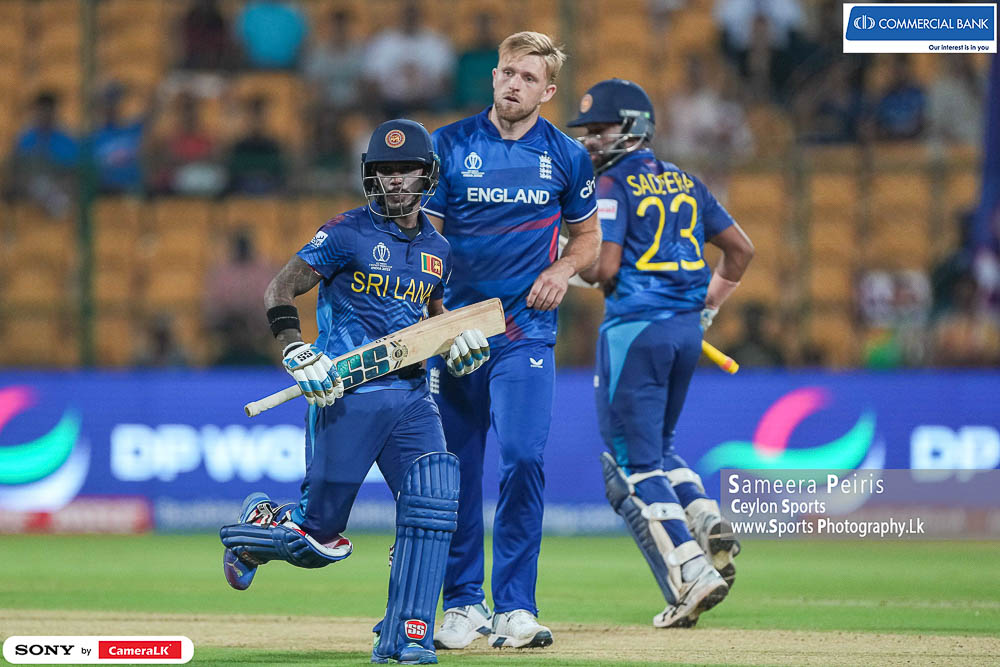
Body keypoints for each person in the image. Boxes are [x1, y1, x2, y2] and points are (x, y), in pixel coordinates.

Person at [218, 119, 490, 665]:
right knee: (318, 540)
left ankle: (406, 635)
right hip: (345, 392)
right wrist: (296, 350)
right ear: (371, 176)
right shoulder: (346, 232)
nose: (395, 180)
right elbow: (280, 288)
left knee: (435, 500)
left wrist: (457, 346)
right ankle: (255, 530)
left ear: (428, 175)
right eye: (384, 171)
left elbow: (433, 321)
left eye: (406, 170)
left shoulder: (438, 249)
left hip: (412, 396)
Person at [423, 31, 601, 650]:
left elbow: (588, 239)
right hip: (455, 333)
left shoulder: (567, 156)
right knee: (455, 470)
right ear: (494, 77)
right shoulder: (448, 145)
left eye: (528, 77)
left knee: (523, 457)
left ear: (547, 92)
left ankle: (516, 609)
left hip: (524, 332)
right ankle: (462, 605)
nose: (514, 84)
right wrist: (437, 315)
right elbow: (425, 239)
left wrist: (561, 270)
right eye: (507, 72)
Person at [569, 78, 754, 627]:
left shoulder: (612, 183)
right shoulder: (687, 181)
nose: (591, 140)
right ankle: (705, 517)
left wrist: (560, 263)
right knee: (661, 446)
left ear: (633, 127)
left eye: (601, 129)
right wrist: (708, 308)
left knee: (631, 464)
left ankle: (691, 572)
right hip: (684, 333)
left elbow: (602, 268)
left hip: (634, 331)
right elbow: (741, 251)